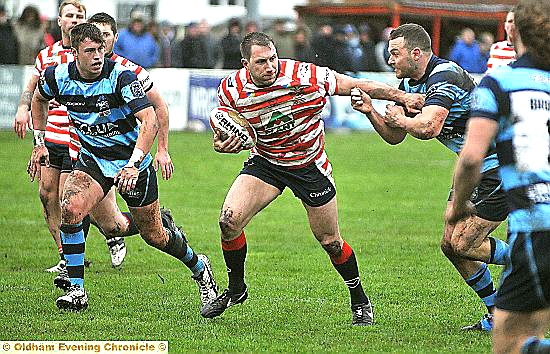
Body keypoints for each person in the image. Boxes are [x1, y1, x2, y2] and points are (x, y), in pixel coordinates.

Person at [199, 31, 424, 325]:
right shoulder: (230, 90)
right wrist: (222, 144)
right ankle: (236, 288)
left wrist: (402, 95)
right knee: (228, 222)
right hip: (266, 162)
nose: (270, 66)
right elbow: (224, 136)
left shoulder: (303, 75)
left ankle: (359, 297)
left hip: (308, 165)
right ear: (245, 64)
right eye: (261, 62)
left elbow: (355, 84)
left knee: (330, 241)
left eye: (273, 59)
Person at [28, 23, 218, 311]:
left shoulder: (121, 77)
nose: (97, 56)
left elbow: (150, 119)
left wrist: (133, 165)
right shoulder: (57, 76)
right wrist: (39, 142)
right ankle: (77, 290)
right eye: (89, 51)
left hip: (131, 163)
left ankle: (199, 266)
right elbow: (38, 100)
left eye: (100, 50)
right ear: (74, 53)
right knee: (70, 208)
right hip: (93, 160)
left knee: (154, 235)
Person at [350, 23, 510, 331]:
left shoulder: (445, 76)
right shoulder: (410, 85)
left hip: (499, 163)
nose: (389, 59)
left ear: (416, 53)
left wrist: (400, 118)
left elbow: (428, 127)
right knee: (450, 245)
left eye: (394, 53)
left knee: (464, 242)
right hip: (472, 168)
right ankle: (496, 314)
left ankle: (533, 258)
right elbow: (395, 137)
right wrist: (371, 111)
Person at [445, 1, 550, 352]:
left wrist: (458, 206)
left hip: (537, 222)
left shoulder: (500, 82)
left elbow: (472, 157)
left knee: (508, 343)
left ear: (514, 31)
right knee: (532, 329)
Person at [13, 1, 135, 276]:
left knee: (74, 200)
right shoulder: (48, 55)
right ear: (59, 20)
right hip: (51, 134)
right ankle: (64, 255)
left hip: (77, 136)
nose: (74, 20)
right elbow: (33, 90)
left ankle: (89, 251)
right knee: (47, 195)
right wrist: (24, 109)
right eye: (69, 16)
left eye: (79, 16)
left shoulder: (92, 56)